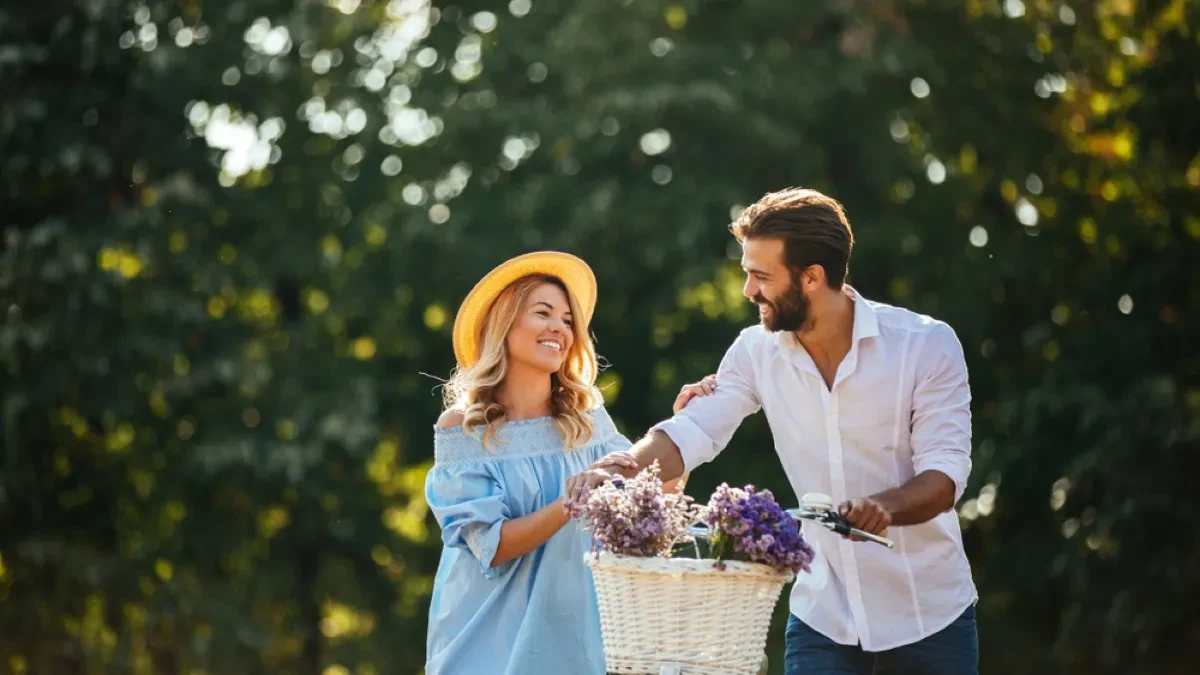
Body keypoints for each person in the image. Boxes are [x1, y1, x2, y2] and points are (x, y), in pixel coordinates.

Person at [566, 188, 980, 674]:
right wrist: (623, 466)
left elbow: (944, 475)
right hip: (823, 614)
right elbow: (694, 429)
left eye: (761, 277)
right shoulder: (754, 351)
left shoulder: (925, 346)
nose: (747, 292)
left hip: (928, 614)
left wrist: (882, 508)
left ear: (812, 277)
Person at [423, 251, 715, 675]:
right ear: (503, 324)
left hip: (577, 641)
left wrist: (680, 431)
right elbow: (492, 546)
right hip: (487, 642)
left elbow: (650, 511)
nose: (559, 328)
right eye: (543, 313)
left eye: (567, 320)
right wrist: (572, 500)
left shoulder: (588, 425)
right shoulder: (463, 429)